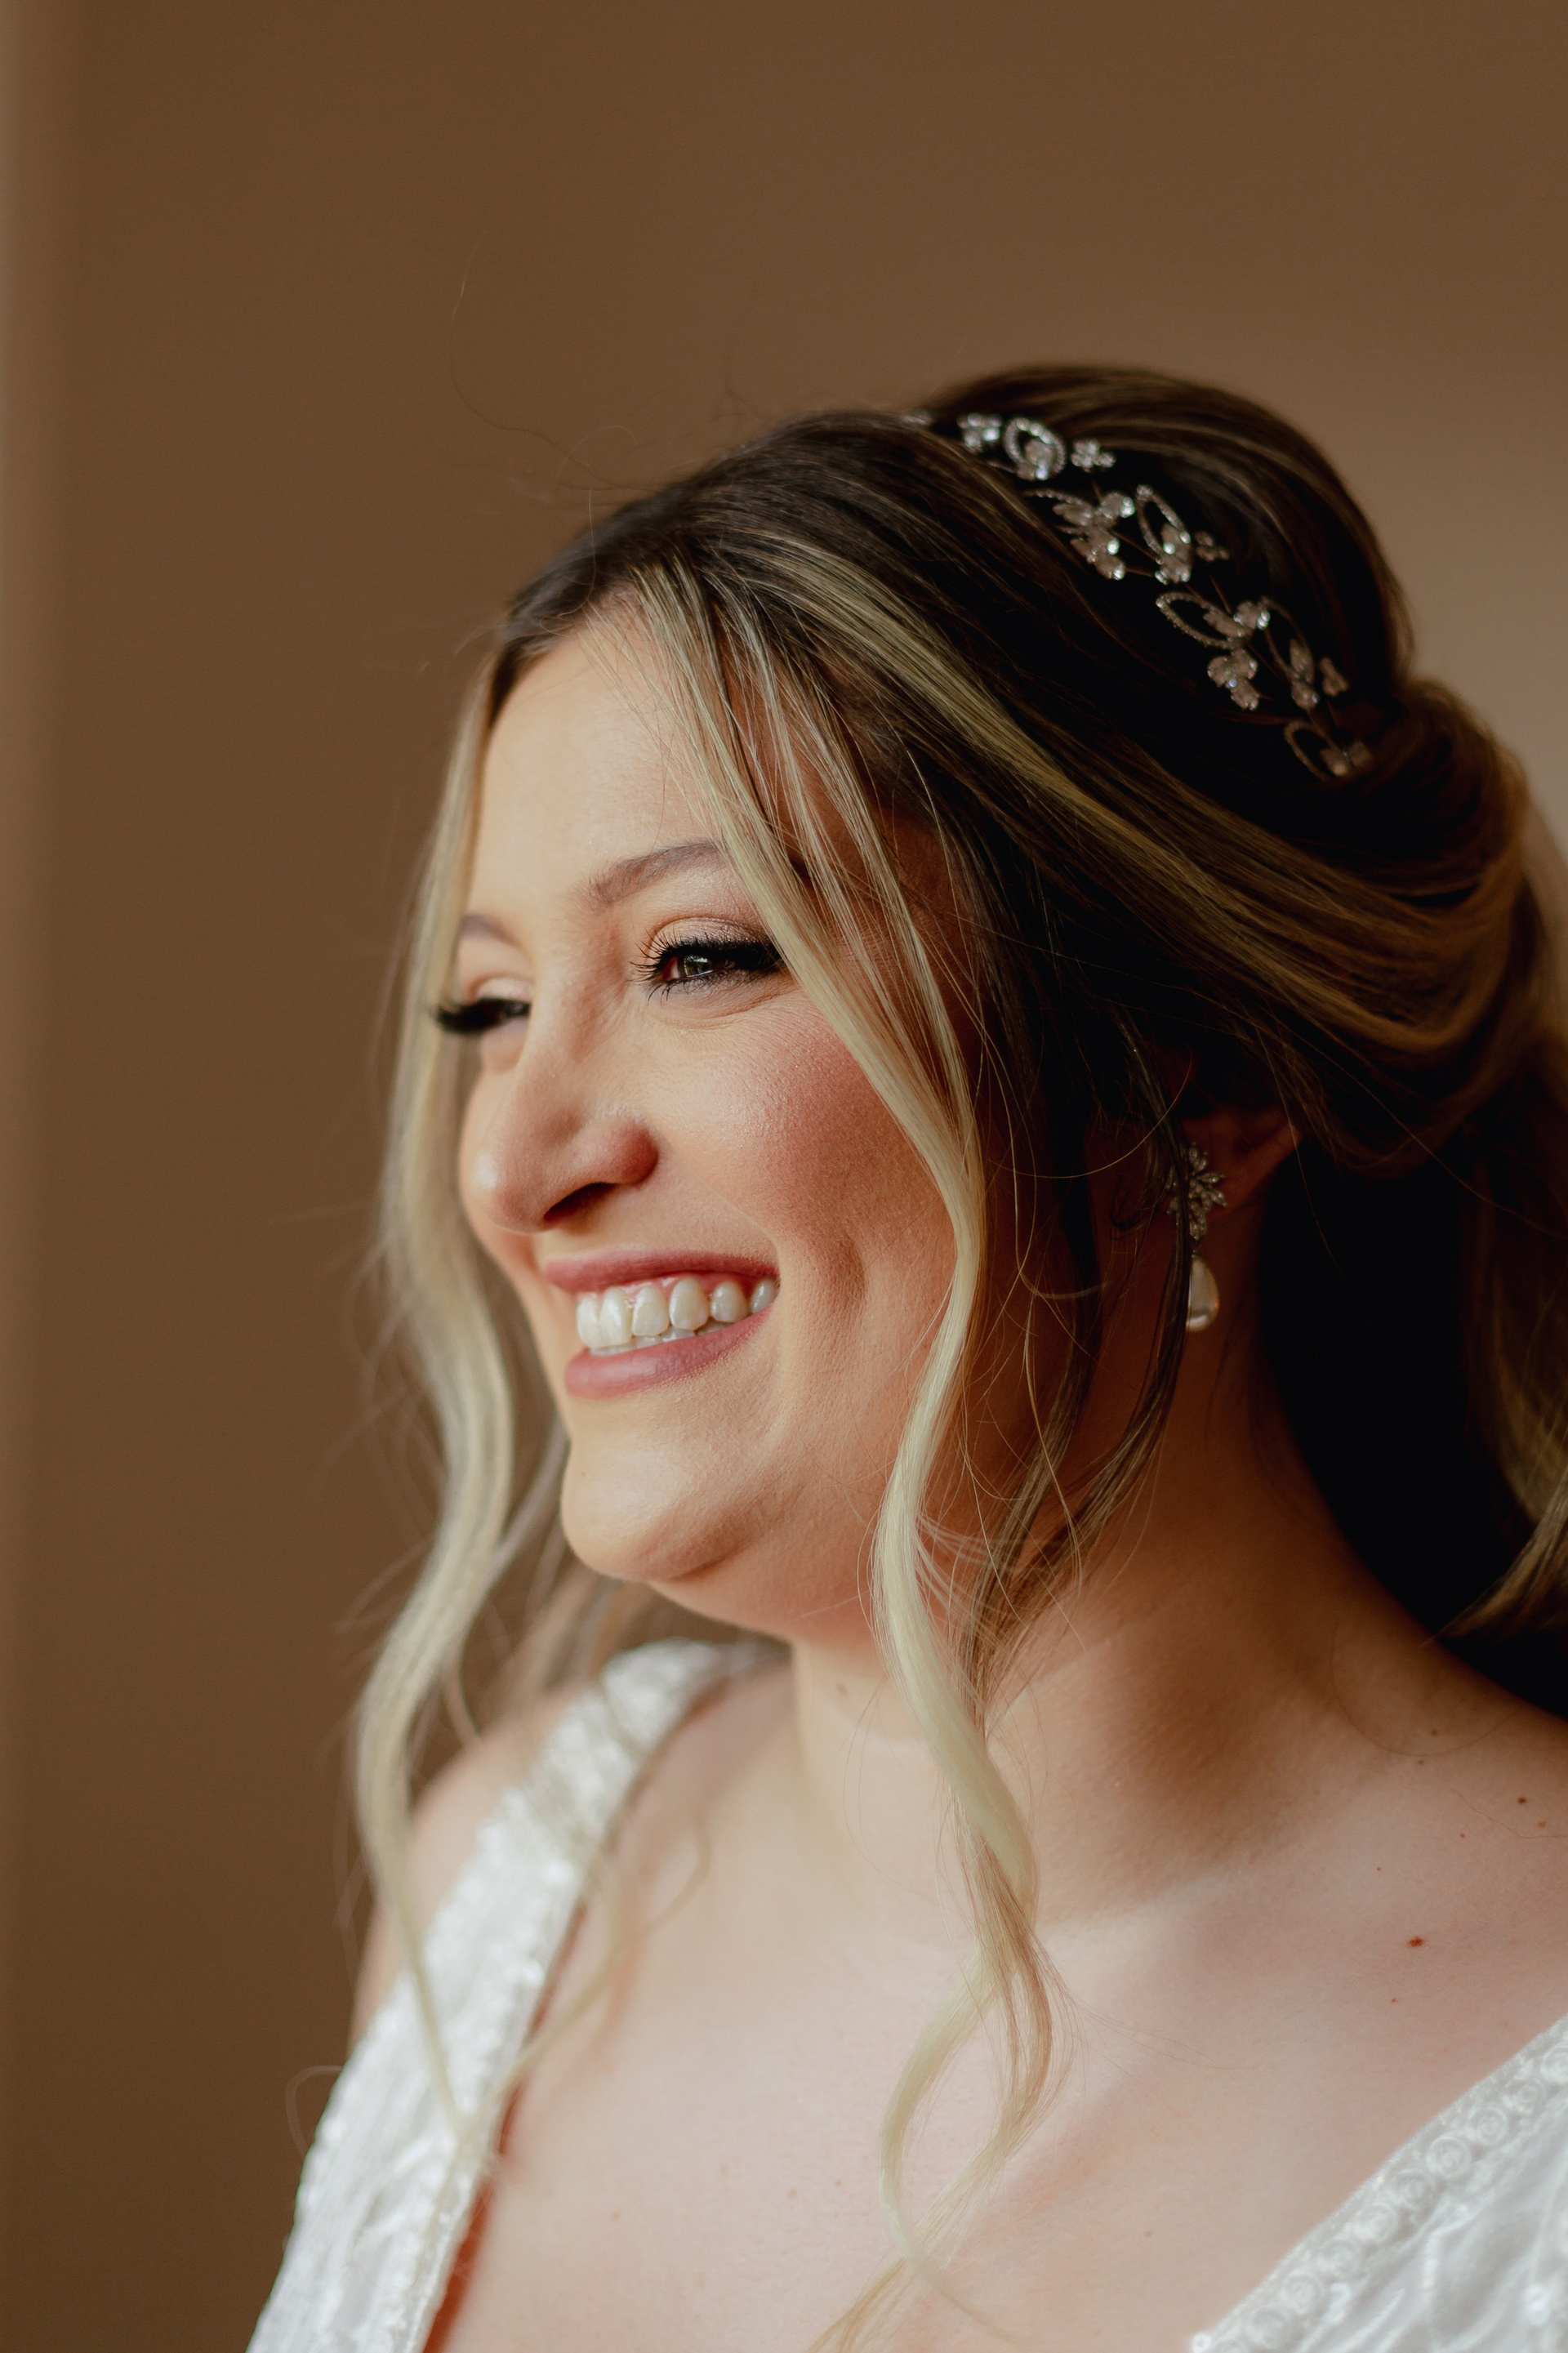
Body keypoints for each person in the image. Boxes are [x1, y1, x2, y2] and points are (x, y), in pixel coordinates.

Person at [249, 367, 1568, 2353]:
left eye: (700, 956)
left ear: (1201, 1067)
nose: (516, 1168)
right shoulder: (507, 1886)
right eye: (489, 1006)